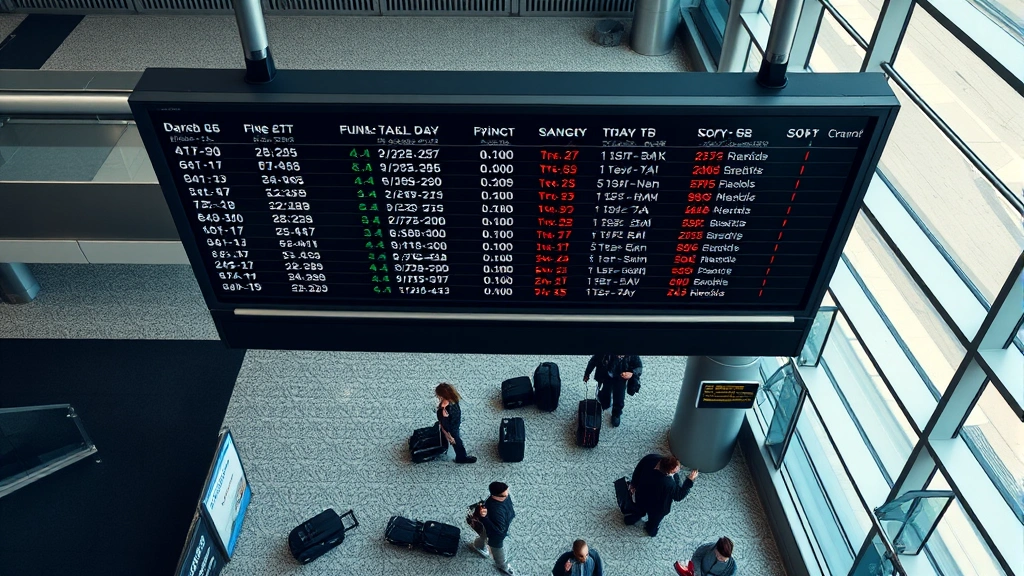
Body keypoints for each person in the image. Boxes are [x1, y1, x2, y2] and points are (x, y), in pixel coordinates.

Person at [625, 453, 698, 537]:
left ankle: (631, 519)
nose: (679, 468)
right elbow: (678, 496)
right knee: (653, 522)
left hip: (641, 496)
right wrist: (689, 480)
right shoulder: (668, 483)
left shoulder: (651, 458)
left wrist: (633, 484)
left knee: (638, 510)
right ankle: (650, 531)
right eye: (676, 468)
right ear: (669, 471)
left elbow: (638, 470)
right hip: (657, 508)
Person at [471, 481, 516, 575]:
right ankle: (502, 565)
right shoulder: (495, 510)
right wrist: (485, 518)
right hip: (496, 534)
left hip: (493, 527)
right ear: (496, 496)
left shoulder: (502, 497)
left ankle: (478, 545)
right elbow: (497, 531)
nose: (507, 495)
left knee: (484, 534)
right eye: (504, 495)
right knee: (497, 548)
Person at [583, 354, 642, 427]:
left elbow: (638, 366)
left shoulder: (632, 355)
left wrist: (632, 373)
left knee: (619, 398)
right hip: (606, 376)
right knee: (605, 394)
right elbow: (593, 361)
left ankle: (616, 414)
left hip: (621, 379)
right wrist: (587, 373)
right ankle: (605, 403)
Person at [435, 382, 476, 464]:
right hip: (453, 426)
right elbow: (447, 422)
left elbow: (444, 424)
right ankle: (461, 458)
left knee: (454, 440)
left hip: (451, 426)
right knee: (456, 441)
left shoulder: (445, 408)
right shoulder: (453, 401)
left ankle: (458, 456)